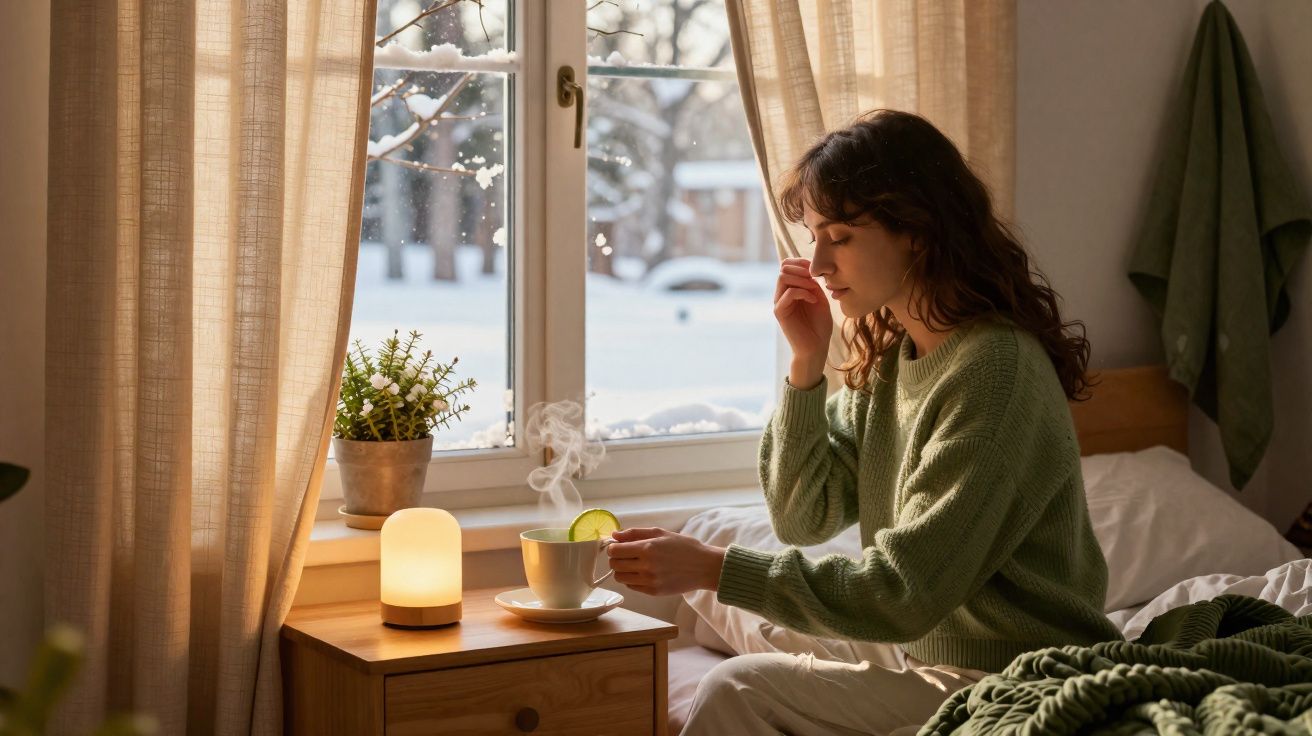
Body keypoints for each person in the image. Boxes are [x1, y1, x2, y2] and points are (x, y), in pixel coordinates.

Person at [604, 109, 1123, 735]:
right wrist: (805, 365)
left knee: (738, 686)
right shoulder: (894, 361)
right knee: (720, 601)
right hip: (923, 646)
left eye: (840, 236)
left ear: (918, 231)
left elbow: (903, 592)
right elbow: (803, 517)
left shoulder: (995, 374)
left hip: (1011, 673)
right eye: (814, 235)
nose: (818, 263)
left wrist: (712, 566)